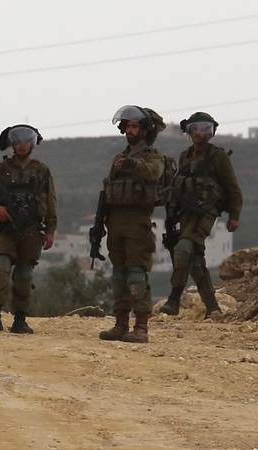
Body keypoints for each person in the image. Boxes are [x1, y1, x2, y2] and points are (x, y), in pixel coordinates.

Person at [159, 112, 242, 318]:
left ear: (211, 132)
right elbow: (179, 185)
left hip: (206, 212)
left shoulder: (218, 156)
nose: (200, 133)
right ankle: (213, 308)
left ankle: (174, 298)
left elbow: (233, 188)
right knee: (195, 260)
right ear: (189, 131)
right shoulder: (185, 156)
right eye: (196, 128)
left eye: (205, 128)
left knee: (183, 249)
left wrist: (234, 215)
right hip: (186, 213)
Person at [0, 125, 57, 334]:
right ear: (12, 144)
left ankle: (20, 320)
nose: (22, 146)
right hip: (6, 230)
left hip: (31, 230)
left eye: (26, 141)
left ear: (33, 144)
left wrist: (50, 230)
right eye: (18, 142)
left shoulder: (42, 170)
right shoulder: (1, 170)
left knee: (24, 275)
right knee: (0, 269)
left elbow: (51, 201)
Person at [98, 105, 166, 343]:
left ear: (146, 130)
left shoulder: (153, 157)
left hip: (138, 222)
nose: (130, 130)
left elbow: (154, 174)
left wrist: (132, 165)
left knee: (136, 275)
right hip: (116, 221)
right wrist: (100, 224)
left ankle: (141, 328)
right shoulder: (119, 158)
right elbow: (108, 190)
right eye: (127, 126)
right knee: (118, 276)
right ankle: (120, 324)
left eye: (135, 126)